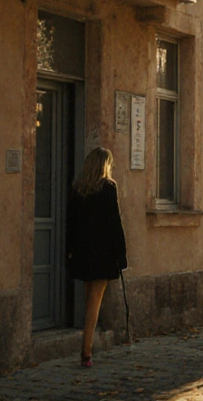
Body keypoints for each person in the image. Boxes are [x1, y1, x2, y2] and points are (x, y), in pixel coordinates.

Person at [66, 147, 127, 368]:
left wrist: (69, 251)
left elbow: (70, 223)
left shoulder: (78, 189)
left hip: (83, 251)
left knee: (89, 298)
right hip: (102, 252)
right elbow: (115, 224)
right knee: (95, 301)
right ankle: (86, 351)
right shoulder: (108, 188)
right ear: (104, 165)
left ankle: (86, 346)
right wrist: (121, 254)